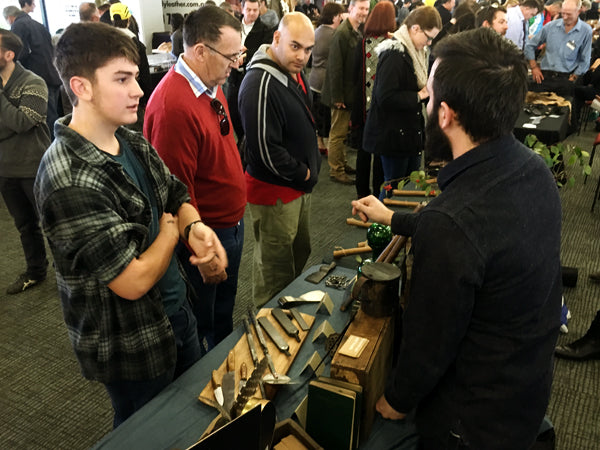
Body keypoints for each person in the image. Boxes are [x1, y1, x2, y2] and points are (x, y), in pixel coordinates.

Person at [352, 28, 562, 449]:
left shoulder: (453, 224)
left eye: (428, 97)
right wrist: (396, 219)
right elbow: (487, 239)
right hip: (524, 391)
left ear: (445, 114)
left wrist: (396, 398)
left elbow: (429, 344)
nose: (426, 104)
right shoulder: (532, 169)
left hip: (469, 424)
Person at [34, 21, 224, 428]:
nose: (139, 90)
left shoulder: (130, 139)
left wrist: (194, 228)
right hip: (131, 342)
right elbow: (132, 280)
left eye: (136, 76)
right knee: (146, 430)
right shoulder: (67, 177)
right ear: (81, 87)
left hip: (176, 311)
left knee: (190, 420)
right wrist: (173, 233)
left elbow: (175, 193)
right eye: (122, 79)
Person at [145, 6, 246, 352]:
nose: (237, 63)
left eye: (239, 53)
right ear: (200, 51)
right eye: (231, 55)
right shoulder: (173, 106)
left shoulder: (211, 83)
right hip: (205, 235)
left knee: (222, 313)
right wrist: (200, 251)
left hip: (229, 224)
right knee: (202, 321)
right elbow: (175, 193)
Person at [238, 12, 320, 307]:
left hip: (296, 189)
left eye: (308, 49)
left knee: (295, 261)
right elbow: (264, 149)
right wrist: (304, 174)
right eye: (295, 46)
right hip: (275, 193)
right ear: (276, 38)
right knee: (274, 275)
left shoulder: (290, 70)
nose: (303, 56)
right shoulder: (259, 82)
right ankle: (267, 338)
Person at [363, 7, 441, 196]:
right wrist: (419, 96)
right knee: (392, 188)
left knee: (408, 185)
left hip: (409, 133)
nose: (429, 43)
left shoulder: (415, 51)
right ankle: (380, 225)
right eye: (428, 37)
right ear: (415, 28)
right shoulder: (394, 53)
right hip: (392, 136)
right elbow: (385, 97)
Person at [0, 29, 49, 295]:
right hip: (5, 169)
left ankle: (71, 272)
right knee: (25, 226)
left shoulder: (33, 82)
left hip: (33, 166)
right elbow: (16, 123)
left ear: (9, 54)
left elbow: (24, 121)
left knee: (53, 223)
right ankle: (36, 271)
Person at [321, 0, 370, 185]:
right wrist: (337, 97)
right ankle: (336, 170)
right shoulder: (342, 33)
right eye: (360, 8)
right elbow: (335, 67)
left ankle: (342, 163)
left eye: (366, 9)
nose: (363, 12)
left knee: (343, 132)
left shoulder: (356, 30)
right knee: (338, 133)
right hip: (340, 93)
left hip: (349, 92)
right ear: (350, 9)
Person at [352, 1, 395, 198]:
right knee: (380, 154)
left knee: (363, 152)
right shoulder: (393, 46)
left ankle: (361, 194)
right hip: (383, 109)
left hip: (362, 107)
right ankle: (378, 193)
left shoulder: (361, 43)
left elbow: (353, 75)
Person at [3, 5, 62, 139]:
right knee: (53, 118)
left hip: (37, 77)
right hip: (52, 74)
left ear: (10, 18)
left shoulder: (19, 26)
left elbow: (19, 53)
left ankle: (52, 152)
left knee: (43, 122)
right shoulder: (39, 25)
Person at [227, 0, 273, 143]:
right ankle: (242, 141)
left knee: (251, 115)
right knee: (233, 112)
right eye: (249, 10)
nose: (252, 13)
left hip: (252, 78)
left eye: (255, 10)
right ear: (242, 9)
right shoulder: (232, 27)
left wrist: (246, 56)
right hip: (232, 77)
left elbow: (266, 50)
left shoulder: (265, 29)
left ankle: (249, 145)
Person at [525, 0, 592, 97]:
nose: (564, 17)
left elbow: (585, 59)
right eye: (563, 13)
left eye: (568, 14)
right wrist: (534, 67)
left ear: (578, 12)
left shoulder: (586, 31)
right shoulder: (551, 26)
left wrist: (573, 77)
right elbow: (530, 45)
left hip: (565, 80)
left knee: (562, 110)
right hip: (544, 77)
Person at [308, 2, 344, 154]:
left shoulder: (316, 31)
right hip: (326, 82)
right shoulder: (334, 35)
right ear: (335, 16)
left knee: (317, 116)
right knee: (328, 119)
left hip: (313, 78)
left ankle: (319, 143)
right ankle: (330, 148)